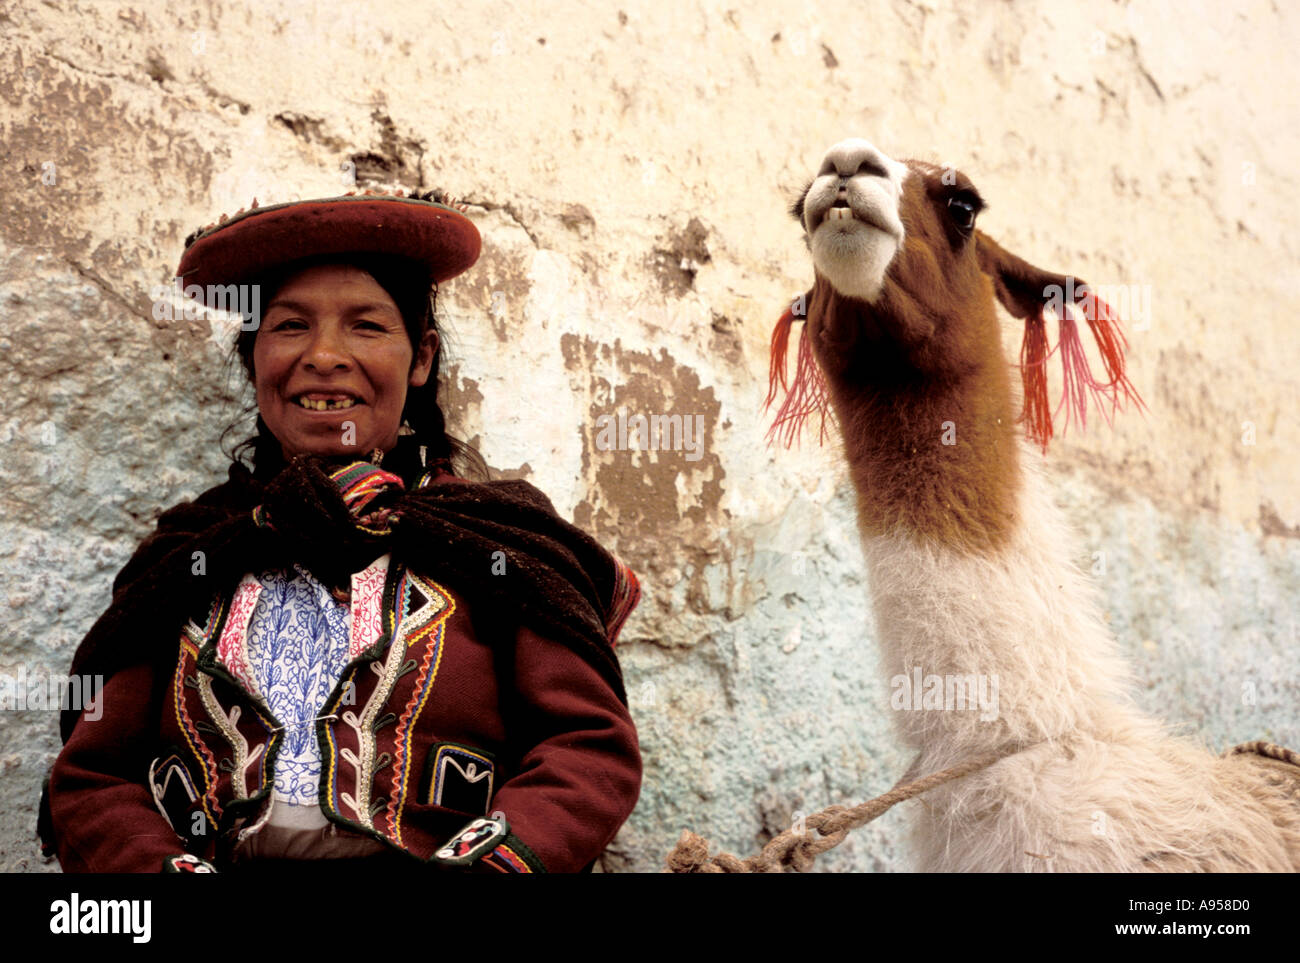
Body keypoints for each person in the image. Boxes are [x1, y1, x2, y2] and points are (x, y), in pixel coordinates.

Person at [37, 190, 642, 873]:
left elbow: (587, 748)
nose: (325, 355)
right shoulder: (193, 554)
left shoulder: (495, 546)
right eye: (290, 326)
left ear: (421, 359)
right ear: (255, 358)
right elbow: (92, 779)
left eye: (366, 326)